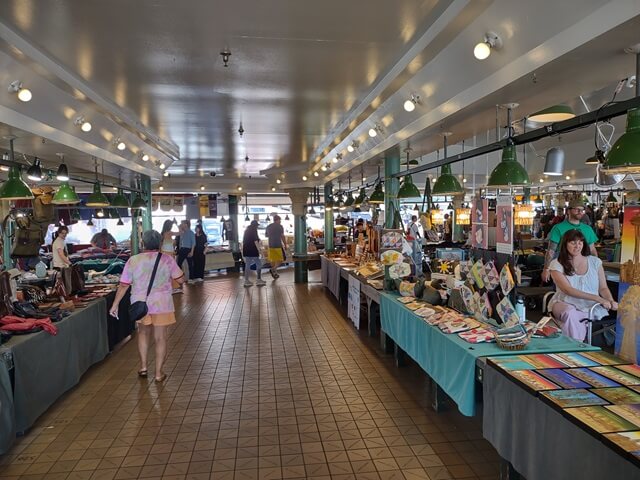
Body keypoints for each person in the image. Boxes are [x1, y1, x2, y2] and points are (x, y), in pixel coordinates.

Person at [109, 230, 185, 383]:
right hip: (162, 303)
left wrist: (115, 304)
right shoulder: (167, 259)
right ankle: (158, 373)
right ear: (160, 243)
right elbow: (181, 279)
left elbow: (124, 285)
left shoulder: (133, 260)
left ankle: (143, 367)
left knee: (143, 334)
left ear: (143, 243)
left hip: (139, 303)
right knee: (160, 338)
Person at [548, 229, 617, 341]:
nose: (577, 246)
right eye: (573, 242)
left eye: (580, 242)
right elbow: (568, 290)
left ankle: (570, 345)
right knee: (570, 313)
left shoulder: (595, 262)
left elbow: (603, 288)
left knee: (574, 319)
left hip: (590, 307)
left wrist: (610, 300)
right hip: (563, 303)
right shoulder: (556, 264)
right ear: (565, 244)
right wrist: (597, 298)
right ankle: (578, 346)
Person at [542, 200, 598, 282]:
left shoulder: (588, 229)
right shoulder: (558, 228)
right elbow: (551, 250)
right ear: (568, 211)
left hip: (583, 267)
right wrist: (546, 269)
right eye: (576, 209)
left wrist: (596, 266)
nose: (580, 212)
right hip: (562, 267)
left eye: (582, 210)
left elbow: (592, 249)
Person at [242, 220, 266, 287]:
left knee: (247, 265)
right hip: (253, 250)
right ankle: (258, 279)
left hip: (246, 249)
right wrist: (260, 250)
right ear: (255, 226)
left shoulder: (246, 230)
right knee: (259, 264)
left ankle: (246, 280)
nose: (257, 227)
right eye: (257, 226)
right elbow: (255, 241)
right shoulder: (254, 230)